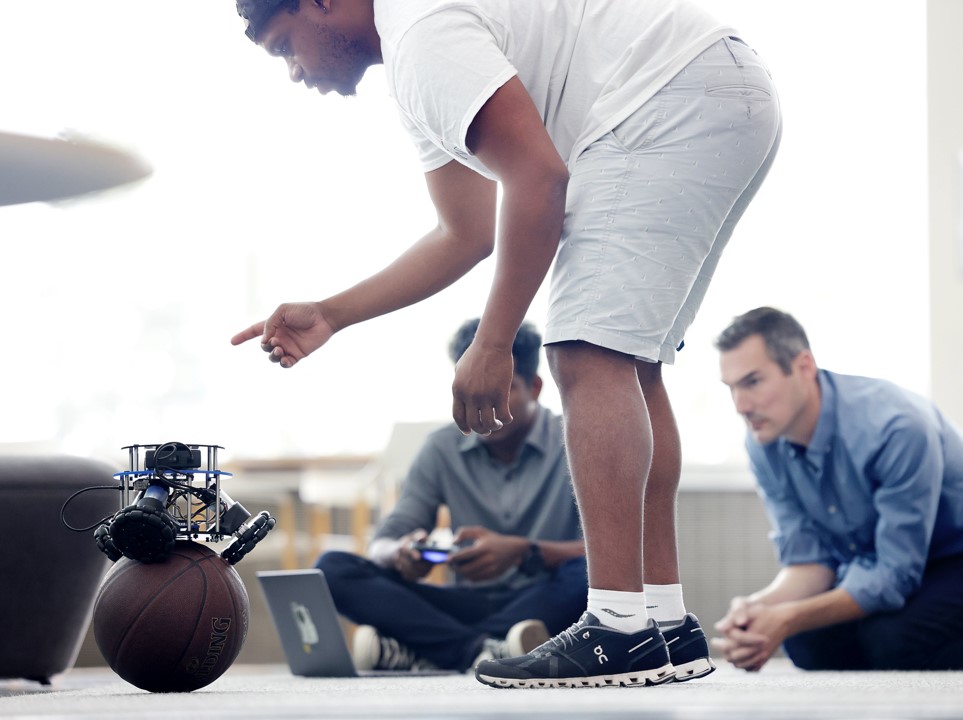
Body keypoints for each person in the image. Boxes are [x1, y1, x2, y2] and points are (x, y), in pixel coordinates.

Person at [231, 0, 782, 688]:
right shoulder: (419, 59)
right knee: (632, 363)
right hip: (711, 88)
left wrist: (493, 345)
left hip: (672, 93)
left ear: (324, 5)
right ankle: (661, 623)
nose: (292, 71)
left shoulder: (421, 38)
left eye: (286, 45)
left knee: (585, 353)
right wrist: (334, 313)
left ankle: (616, 629)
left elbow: (537, 180)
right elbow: (464, 233)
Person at [315, 318, 586, 673]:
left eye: (499, 391)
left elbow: (618, 553)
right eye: (469, 392)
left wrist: (524, 552)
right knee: (331, 569)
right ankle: (485, 649)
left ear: (534, 387)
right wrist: (402, 552)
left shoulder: (576, 440)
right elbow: (385, 541)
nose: (481, 405)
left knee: (586, 576)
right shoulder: (441, 448)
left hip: (546, 599)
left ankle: (425, 649)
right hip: (464, 602)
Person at [712, 306, 963, 671]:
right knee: (806, 643)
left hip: (950, 559)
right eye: (731, 388)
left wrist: (788, 616)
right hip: (879, 566)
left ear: (803, 367)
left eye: (752, 382)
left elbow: (896, 573)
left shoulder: (896, 427)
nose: (740, 406)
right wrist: (759, 609)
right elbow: (810, 563)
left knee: (892, 639)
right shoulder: (763, 441)